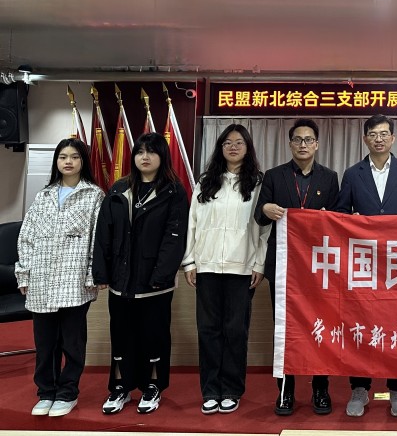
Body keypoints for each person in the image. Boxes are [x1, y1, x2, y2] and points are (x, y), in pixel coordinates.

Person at [93, 132, 189, 415]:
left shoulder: (173, 191)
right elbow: (104, 233)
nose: (145, 157)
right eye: (140, 152)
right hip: (121, 282)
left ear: (162, 156)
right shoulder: (119, 188)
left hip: (155, 283)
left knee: (154, 336)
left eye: (151, 152)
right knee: (121, 335)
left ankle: (153, 386)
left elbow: (175, 237)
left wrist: (161, 275)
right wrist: (102, 273)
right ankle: (120, 388)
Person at [334, 113, 397, 418]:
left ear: (393, 138)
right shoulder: (352, 173)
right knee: (361, 323)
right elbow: (340, 213)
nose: (379, 139)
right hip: (364, 262)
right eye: (373, 134)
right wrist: (352, 221)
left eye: (384, 134)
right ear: (365, 139)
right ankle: (360, 388)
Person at [255, 118, 339, 416]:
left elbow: (339, 219)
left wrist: (329, 217)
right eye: (298, 140)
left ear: (317, 144)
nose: (303, 145)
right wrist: (265, 208)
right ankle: (285, 391)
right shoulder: (274, 176)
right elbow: (259, 216)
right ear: (290, 144)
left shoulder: (330, 178)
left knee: (321, 327)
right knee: (284, 329)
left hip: (318, 268)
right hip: (283, 267)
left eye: (308, 140)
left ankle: (320, 388)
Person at [182, 124, 269, 415]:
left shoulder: (257, 183)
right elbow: (192, 223)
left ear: (248, 147)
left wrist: (259, 264)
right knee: (208, 330)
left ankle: (231, 389)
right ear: (220, 148)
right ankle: (210, 390)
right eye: (227, 142)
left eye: (239, 142)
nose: (233, 147)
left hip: (241, 268)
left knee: (235, 331)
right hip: (206, 266)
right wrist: (190, 261)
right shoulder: (206, 182)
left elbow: (264, 230)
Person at [15, 138, 104, 417]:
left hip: (73, 279)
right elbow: (26, 237)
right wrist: (24, 273)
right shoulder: (44, 196)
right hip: (41, 278)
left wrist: (92, 274)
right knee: (45, 342)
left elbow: (97, 240)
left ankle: (67, 392)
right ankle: (46, 392)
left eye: (74, 157)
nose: (68, 161)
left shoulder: (94, 195)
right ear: (56, 161)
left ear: (83, 161)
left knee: (72, 342)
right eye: (63, 156)